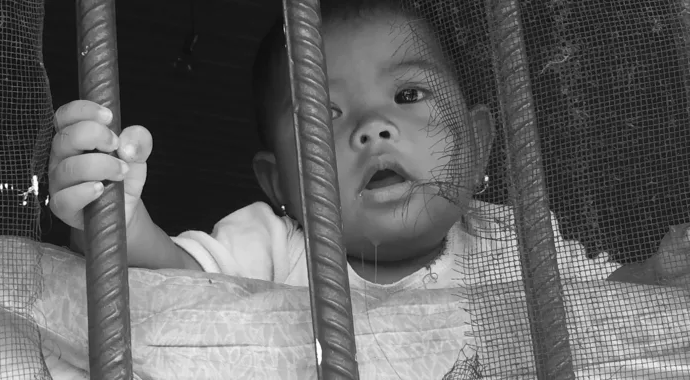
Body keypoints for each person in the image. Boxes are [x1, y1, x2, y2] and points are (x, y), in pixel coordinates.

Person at [48, 0, 689, 289]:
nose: (373, 128)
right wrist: (113, 212)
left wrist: (659, 274)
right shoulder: (273, 248)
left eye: (408, 97)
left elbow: (602, 306)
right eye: (325, 113)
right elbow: (172, 281)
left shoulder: (514, 247)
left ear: (483, 143)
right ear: (279, 185)